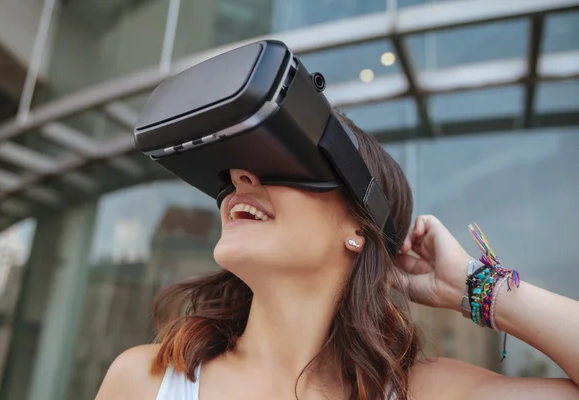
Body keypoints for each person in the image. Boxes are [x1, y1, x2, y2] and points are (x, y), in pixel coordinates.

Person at [95, 111, 579, 400]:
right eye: (236, 170)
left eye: (279, 165)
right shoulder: (146, 382)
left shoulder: (422, 393)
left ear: (357, 228)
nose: (240, 177)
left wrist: (472, 286)